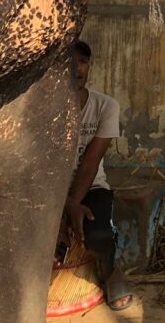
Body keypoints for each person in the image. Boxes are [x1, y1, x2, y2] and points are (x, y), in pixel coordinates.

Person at [59, 39, 134, 312]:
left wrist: (72, 204)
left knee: (99, 233)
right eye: (68, 62)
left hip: (91, 186)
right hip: (48, 192)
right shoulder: (42, 110)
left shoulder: (105, 106)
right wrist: (63, 205)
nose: (75, 68)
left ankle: (110, 272)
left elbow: (91, 162)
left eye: (82, 62)